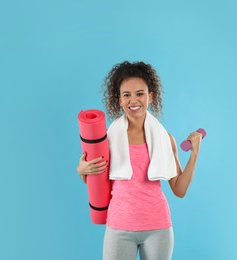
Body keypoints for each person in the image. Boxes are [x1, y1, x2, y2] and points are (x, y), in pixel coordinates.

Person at [76, 61, 203, 260]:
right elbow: (96, 179)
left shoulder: (165, 139)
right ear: (118, 100)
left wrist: (194, 154)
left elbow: (179, 189)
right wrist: (82, 170)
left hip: (158, 227)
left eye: (140, 93)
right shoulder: (107, 139)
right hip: (119, 226)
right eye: (126, 94)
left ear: (150, 97)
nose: (133, 100)